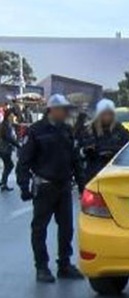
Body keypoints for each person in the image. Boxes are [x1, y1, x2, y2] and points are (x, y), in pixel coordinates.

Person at [16, 94, 85, 283]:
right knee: (40, 229)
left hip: (64, 187)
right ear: (52, 110)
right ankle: (42, 267)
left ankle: (64, 264)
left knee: (66, 228)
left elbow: (75, 160)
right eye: (62, 109)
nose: (65, 113)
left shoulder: (66, 130)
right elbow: (23, 161)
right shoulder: (36, 131)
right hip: (44, 186)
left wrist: (82, 185)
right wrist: (24, 186)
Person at [81, 99, 129, 182]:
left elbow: (127, 146)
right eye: (104, 114)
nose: (107, 117)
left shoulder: (119, 129)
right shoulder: (90, 129)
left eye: (110, 114)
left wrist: (112, 151)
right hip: (95, 172)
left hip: (114, 171)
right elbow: (84, 149)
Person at [0, 108, 21, 192]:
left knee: (7, 165)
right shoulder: (7, 125)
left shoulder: (4, 124)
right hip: (5, 149)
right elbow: (10, 138)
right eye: (12, 115)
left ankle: (3, 182)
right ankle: (4, 183)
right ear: (8, 116)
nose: (14, 117)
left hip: (2, 148)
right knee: (10, 166)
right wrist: (18, 145)